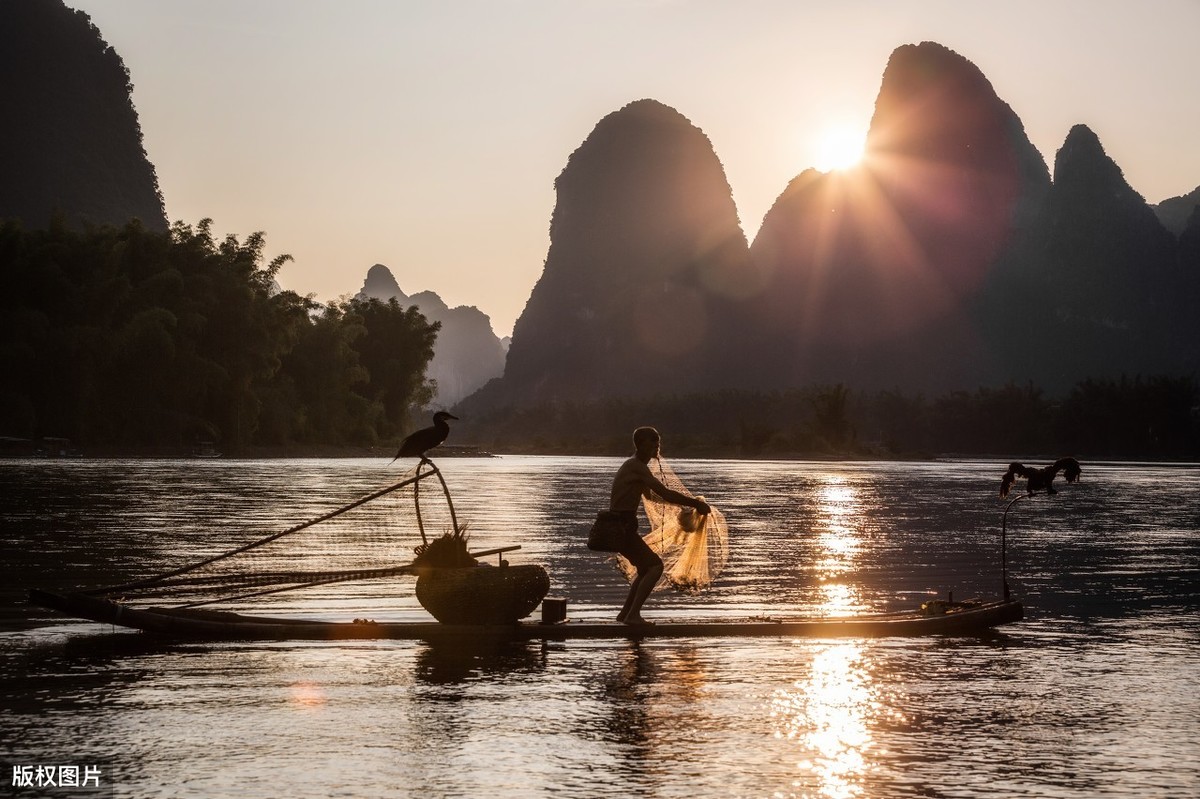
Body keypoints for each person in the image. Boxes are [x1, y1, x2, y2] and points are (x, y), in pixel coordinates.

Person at [608, 426, 710, 625]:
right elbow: (664, 492)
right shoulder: (635, 466)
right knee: (655, 567)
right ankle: (633, 616)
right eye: (652, 441)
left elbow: (650, 495)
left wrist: (683, 507)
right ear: (641, 444)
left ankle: (625, 615)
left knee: (646, 568)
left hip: (625, 526)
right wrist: (696, 503)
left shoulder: (638, 467)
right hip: (621, 526)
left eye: (658, 440)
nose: (657, 444)